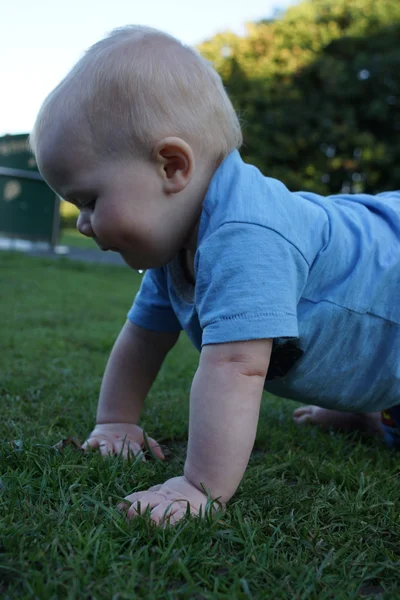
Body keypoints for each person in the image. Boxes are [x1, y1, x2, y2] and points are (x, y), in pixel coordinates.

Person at [29, 25, 400, 526]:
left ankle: (376, 406)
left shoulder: (246, 231)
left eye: (91, 200)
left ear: (172, 167)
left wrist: (198, 487)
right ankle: (366, 409)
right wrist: (116, 422)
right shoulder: (179, 245)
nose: (82, 222)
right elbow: (142, 338)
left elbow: (235, 367)